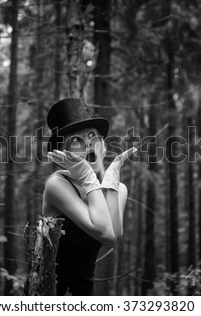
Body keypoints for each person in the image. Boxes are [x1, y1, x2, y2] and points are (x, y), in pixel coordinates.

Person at [42, 98, 136, 295]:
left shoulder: (119, 189)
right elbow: (105, 233)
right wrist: (87, 177)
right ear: (65, 154)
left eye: (93, 135)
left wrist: (109, 186)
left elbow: (113, 237)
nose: (87, 144)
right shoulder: (57, 185)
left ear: (103, 145)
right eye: (76, 140)